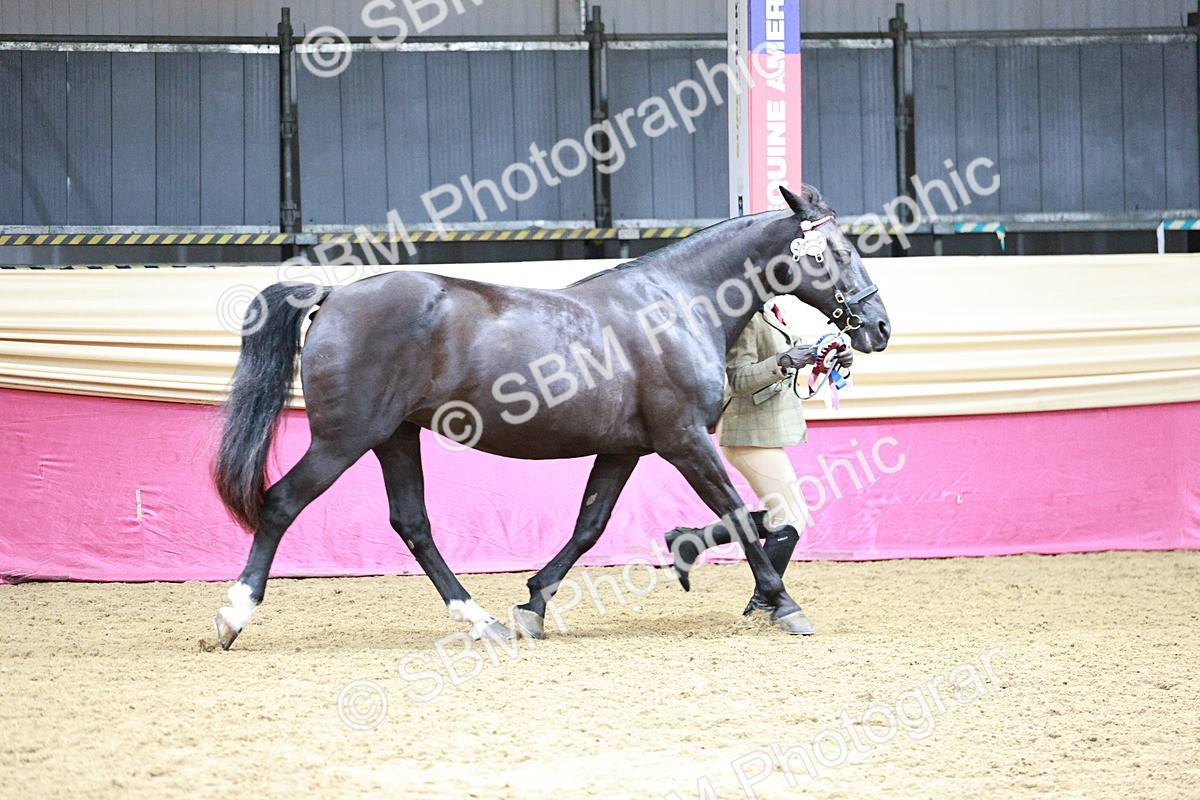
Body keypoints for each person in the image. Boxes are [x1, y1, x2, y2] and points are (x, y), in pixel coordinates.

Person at [664, 296, 853, 617]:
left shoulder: (770, 311)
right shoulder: (747, 316)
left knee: (786, 513)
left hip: (764, 429)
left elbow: (783, 355)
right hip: (745, 431)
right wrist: (785, 360)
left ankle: (693, 542)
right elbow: (738, 378)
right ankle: (765, 599)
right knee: (790, 515)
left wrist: (826, 356)